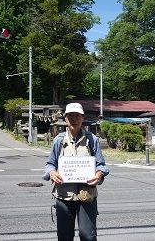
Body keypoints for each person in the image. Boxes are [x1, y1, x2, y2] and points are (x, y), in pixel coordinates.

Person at [42, 103, 109, 241]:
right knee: (64, 237)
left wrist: (98, 174)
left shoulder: (92, 139)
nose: (74, 118)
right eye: (70, 116)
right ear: (65, 119)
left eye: (77, 115)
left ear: (82, 118)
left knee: (88, 237)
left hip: (87, 195)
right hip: (63, 195)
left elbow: (101, 165)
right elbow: (50, 164)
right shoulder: (59, 140)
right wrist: (52, 173)